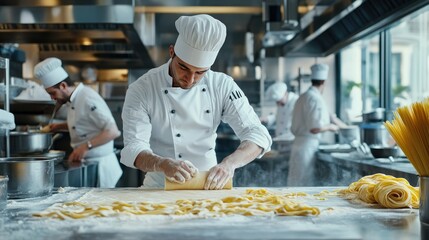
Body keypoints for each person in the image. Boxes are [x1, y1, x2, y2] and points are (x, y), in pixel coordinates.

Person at [120, 14, 272, 190]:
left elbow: (257, 133)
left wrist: (229, 164)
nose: (190, 79)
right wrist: (162, 164)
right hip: (158, 188)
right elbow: (134, 148)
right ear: (171, 52)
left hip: (210, 186)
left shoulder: (222, 85)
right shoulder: (142, 88)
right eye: (183, 67)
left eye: (200, 72)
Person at [34, 57, 123, 188]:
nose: (52, 98)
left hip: (101, 167)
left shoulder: (87, 98)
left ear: (63, 86)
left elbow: (113, 131)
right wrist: (58, 126)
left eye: (53, 93)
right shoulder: (73, 99)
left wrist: (85, 146)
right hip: (89, 163)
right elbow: (83, 123)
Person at [287, 63, 347, 186]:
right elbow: (314, 128)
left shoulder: (303, 96)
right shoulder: (314, 98)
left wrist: (333, 120)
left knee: (295, 183)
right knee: (303, 185)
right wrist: (331, 127)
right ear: (324, 82)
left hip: (298, 146)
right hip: (307, 147)